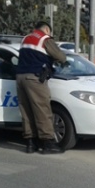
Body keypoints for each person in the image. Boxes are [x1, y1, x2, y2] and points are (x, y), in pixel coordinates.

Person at [15, 21, 67, 154]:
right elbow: (61, 57)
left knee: (26, 111)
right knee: (42, 110)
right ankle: (47, 143)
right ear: (46, 29)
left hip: (20, 78)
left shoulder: (25, 38)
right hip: (35, 78)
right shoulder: (45, 39)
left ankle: (30, 143)